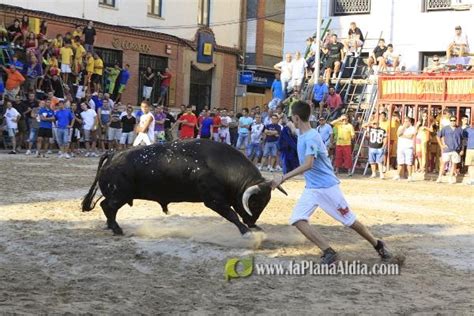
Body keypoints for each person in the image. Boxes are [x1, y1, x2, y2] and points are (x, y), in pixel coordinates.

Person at [271, 101, 394, 265]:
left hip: (327, 187)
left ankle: (378, 244)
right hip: (312, 188)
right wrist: (285, 120)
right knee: (298, 219)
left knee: (349, 221)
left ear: (297, 117)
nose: (291, 121)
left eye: (292, 118)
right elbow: (293, 129)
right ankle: (328, 251)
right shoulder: (302, 132)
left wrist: (283, 177)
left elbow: (309, 164)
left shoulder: (312, 137)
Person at [437, 116, 463, 184]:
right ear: (449, 121)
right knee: (443, 163)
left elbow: (463, 140)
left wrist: (462, 149)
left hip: (456, 149)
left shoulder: (459, 129)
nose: (453, 122)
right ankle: (439, 177)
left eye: (454, 120)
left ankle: (450, 178)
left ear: (456, 121)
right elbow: (438, 136)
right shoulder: (445, 128)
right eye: (451, 120)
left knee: (454, 164)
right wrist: (441, 145)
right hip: (447, 149)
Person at [394, 117, 416, 181]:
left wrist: (402, 135)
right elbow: (398, 134)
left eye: (407, 121)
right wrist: (403, 128)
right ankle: (398, 175)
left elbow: (410, 136)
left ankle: (410, 176)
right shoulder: (401, 127)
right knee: (400, 162)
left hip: (408, 147)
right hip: (400, 147)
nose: (405, 123)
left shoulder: (412, 128)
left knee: (409, 162)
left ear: (410, 122)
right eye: (405, 121)